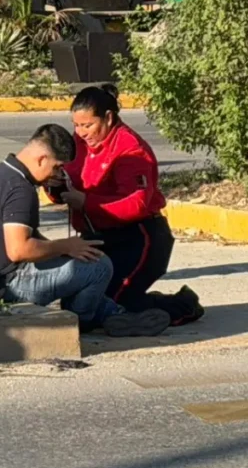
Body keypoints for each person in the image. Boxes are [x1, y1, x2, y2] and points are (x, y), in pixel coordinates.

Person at [0, 123, 172, 337]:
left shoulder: (1, 174)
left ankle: (114, 314)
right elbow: (19, 250)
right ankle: (82, 320)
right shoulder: (21, 190)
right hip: (9, 286)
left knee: (83, 259)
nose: (56, 174)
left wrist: (66, 251)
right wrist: (66, 246)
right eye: (57, 167)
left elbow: (27, 240)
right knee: (99, 266)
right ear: (41, 159)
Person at [46, 85, 204, 325]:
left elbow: (137, 204)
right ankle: (141, 304)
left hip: (138, 237)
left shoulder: (131, 149)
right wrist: (55, 185)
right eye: (77, 125)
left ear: (108, 118)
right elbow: (63, 189)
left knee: (116, 303)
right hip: (97, 234)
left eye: (88, 125)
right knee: (82, 301)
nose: (81, 132)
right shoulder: (78, 143)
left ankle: (183, 305)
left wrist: (87, 202)